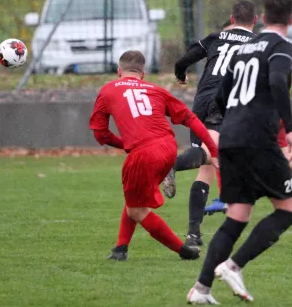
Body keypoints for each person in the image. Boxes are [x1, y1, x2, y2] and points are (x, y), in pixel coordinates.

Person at [187, 0, 292, 304]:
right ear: (290, 19)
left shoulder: (243, 48)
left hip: (231, 137)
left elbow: (222, 95)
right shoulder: (281, 47)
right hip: (258, 139)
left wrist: (229, 122)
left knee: (237, 214)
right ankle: (233, 266)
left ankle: (201, 289)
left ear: (262, 18)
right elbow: (278, 80)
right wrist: (289, 129)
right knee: (288, 210)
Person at [89, 50, 220, 261]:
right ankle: (120, 248)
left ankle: (184, 250)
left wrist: (125, 145)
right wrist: (213, 151)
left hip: (143, 153)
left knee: (137, 210)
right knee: (135, 197)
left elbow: (100, 134)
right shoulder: (155, 89)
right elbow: (190, 118)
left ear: (118, 71)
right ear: (143, 74)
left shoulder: (108, 90)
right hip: (168, 149)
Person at [162, 1, 258, 248]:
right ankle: (170, 164)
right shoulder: (257, 44)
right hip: (225, 101)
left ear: (231, 18)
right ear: (255, 20)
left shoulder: (216, 36)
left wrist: (181, 75)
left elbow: (184, 60)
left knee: (206, 165)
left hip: (202, 101)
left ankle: (193, 234)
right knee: (210, 157)